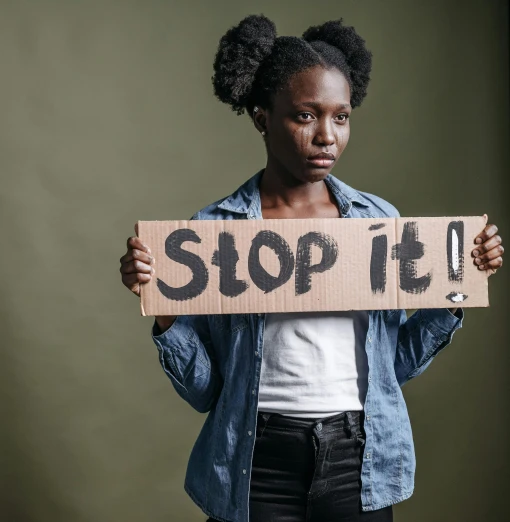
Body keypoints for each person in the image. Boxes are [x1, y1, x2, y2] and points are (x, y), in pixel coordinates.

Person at [119, 14, 503, 522]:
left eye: (341, 117)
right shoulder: (213, 233)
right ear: (262, 117)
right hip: (253, 462)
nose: (327, 136)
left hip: (358, 459)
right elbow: (206, 392)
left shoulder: (379, 222)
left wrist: (459, 281)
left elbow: (395, 366)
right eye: (305, 116)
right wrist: (165, 309)